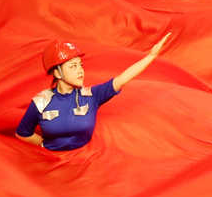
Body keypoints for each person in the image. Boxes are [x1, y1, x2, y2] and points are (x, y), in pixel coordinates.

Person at [15, 34, 171, 151]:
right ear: (57, 73)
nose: (80, 71)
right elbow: (23, 134)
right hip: (51, 166)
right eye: (73, 66)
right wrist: (45, 147)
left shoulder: (92, 96)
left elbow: (123, 79)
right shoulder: (41, 102)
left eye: (80, 65)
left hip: (84, 164)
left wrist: (151, 56)